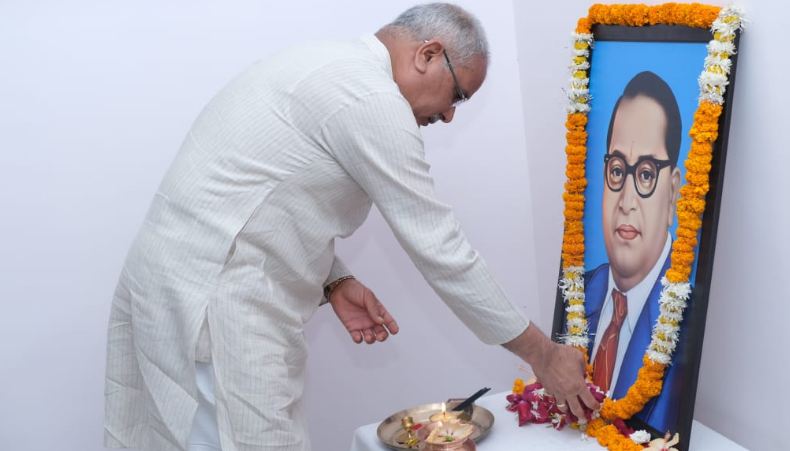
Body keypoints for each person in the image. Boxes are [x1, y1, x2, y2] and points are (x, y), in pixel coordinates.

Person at [104, 4, 597, 451]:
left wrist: (334, 278)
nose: (448, 115)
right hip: (215, 302)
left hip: (180, 284)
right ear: (428, 54)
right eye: (458, 95)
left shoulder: (328, 63)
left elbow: (259, 199)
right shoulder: (370, 98)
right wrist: (542, 354)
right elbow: (439, 247)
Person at [584, 70, 688, 432]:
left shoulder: (685, 322)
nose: (626, 201)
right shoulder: (576, 296)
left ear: (673, 192)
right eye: (617, 170)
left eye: (645, 174)